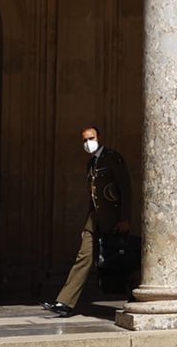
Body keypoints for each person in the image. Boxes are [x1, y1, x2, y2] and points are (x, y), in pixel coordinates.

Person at [43, 125, 130, 317]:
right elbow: (93, 198)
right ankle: (64, 302)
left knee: (121, 261)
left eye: (90, 138)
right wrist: (86, 224)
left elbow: (126, 189)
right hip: (94, 221)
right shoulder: (91, 164)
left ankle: (137, 298)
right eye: (84, 140)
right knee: (83, 258)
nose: (87, 143)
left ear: (99, 137)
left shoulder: (113, 158)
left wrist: (124, 219)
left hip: (114, 219)